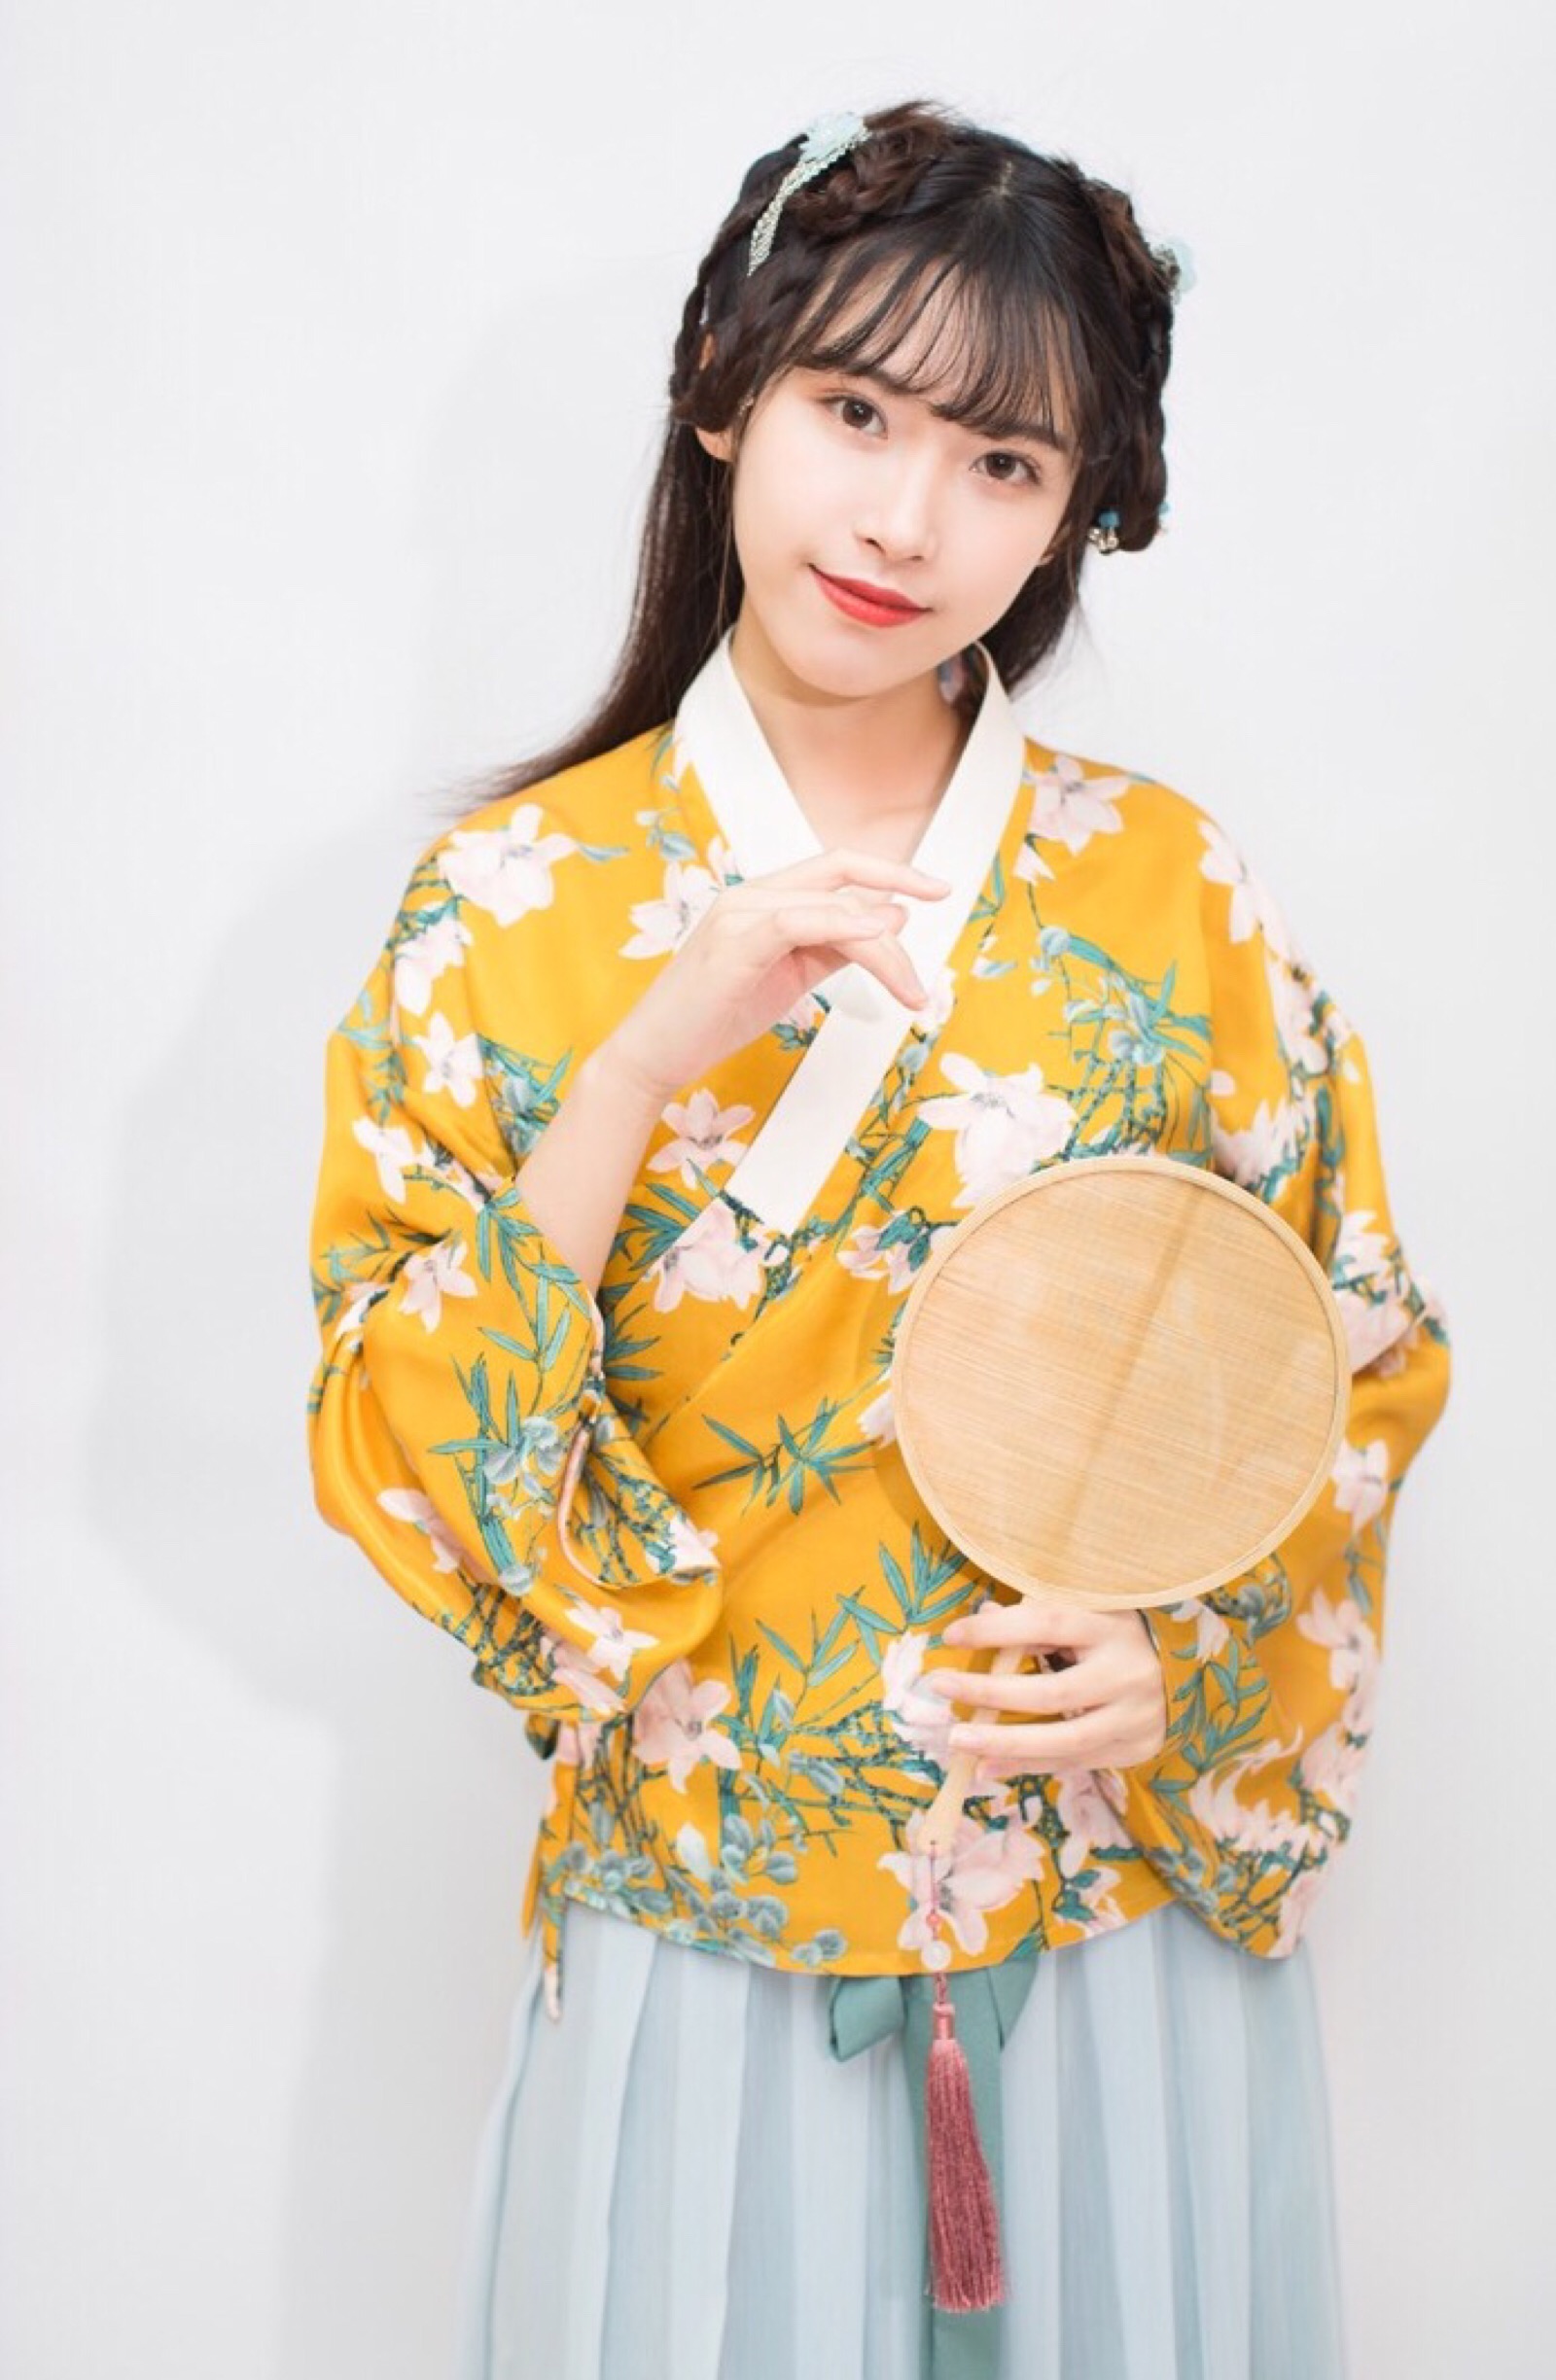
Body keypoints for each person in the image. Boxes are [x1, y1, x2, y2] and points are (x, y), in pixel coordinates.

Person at [304, 98, 1451, 2380]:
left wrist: (1190, 1650)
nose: (907, 519)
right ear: (722, 391)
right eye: (853, 411)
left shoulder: (1165, 891)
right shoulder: (511, 910)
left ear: (1076, 510)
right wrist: (638, 1065)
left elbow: (1340, 1345)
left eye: (1001, 460)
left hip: (1103, 1898)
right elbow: (402, 1440)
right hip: (708, 1912)